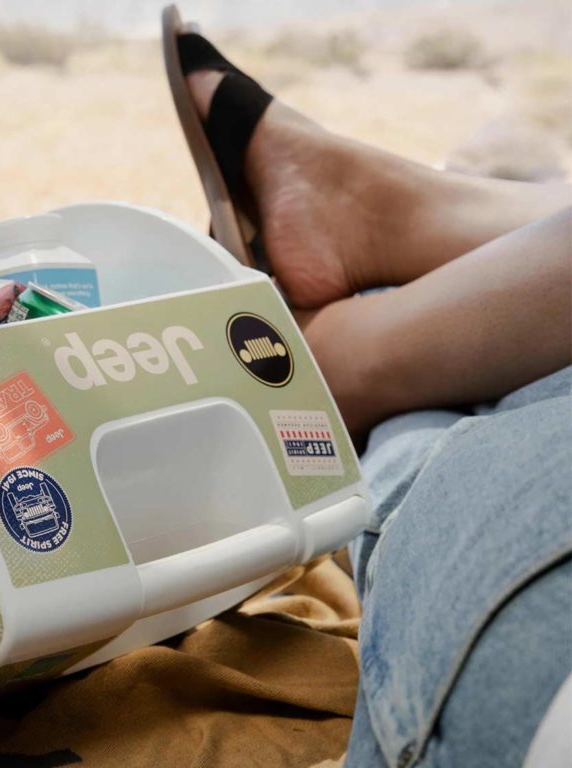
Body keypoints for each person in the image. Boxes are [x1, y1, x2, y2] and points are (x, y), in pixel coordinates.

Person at [162, 5, 571, 767]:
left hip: (538, 646)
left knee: (452, 389)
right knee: (483, 342)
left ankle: (349, 350)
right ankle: (398, 250)